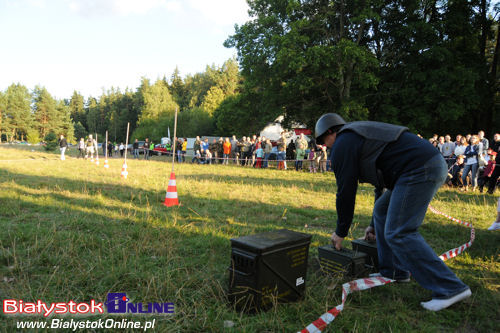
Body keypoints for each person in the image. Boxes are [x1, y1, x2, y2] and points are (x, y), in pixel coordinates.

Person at [315, 113, 470, 312]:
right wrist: (373, 224)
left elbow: (345, 191)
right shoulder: (357, 135)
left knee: (399, 231)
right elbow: (380, 187)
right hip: (420, 166)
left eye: (323, 141)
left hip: (418, 169)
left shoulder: (343, 142)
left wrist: (340, 231)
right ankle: (394, 271)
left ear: (330, 131)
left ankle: (451, 288)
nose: (326, 147)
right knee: (382, 210)